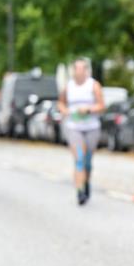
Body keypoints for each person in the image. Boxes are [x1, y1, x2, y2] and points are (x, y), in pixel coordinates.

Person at [57, 59, 105, 205]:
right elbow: (60, 103)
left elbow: (102, 106)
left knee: (88, 162)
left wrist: (89, 109)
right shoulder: (69, 86)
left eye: (82, 69)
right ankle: (80, 191)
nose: (79, 72)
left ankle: (87, 182)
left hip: (91, 127)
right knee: (79, 159)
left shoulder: (93, 85)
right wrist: (65, 111)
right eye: (76, 69)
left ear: (86, 71)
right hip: (74, 127)